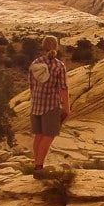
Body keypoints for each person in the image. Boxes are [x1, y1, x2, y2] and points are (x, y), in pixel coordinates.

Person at [28, 36, 70, 179]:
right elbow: (63, 88)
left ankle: (37, 164)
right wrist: (67, 108)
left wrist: (35, 99)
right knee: (48, 136)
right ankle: (39, 168)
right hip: (51, 105)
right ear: (56, 47)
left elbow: (31, 86)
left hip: (36, 104)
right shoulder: (59, 66)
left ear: (43, 46)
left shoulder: (35, 63)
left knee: (39, 136)